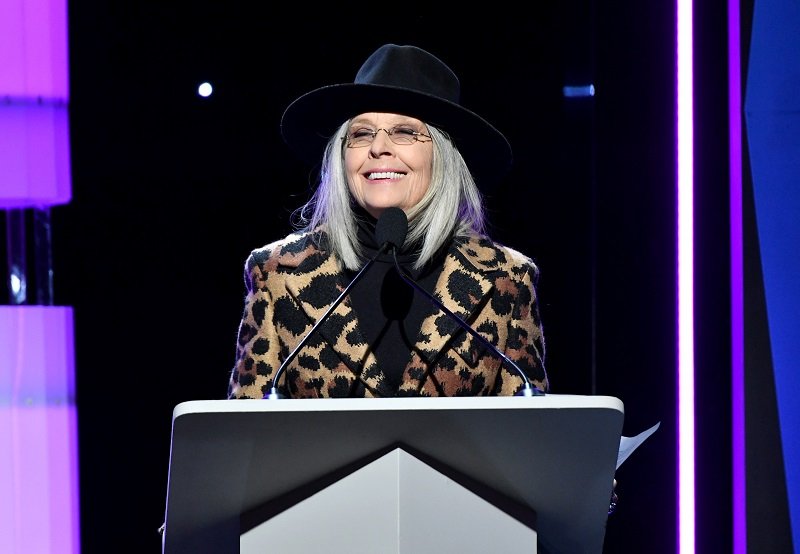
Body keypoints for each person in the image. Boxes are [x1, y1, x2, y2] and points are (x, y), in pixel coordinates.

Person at [227, 43, 548, 399]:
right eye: (362, 133)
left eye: (404, 132)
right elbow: (247, 431)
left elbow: (529, 430)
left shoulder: (506, 277)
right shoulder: (277, 272)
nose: (378, 148)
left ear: (441, 155)